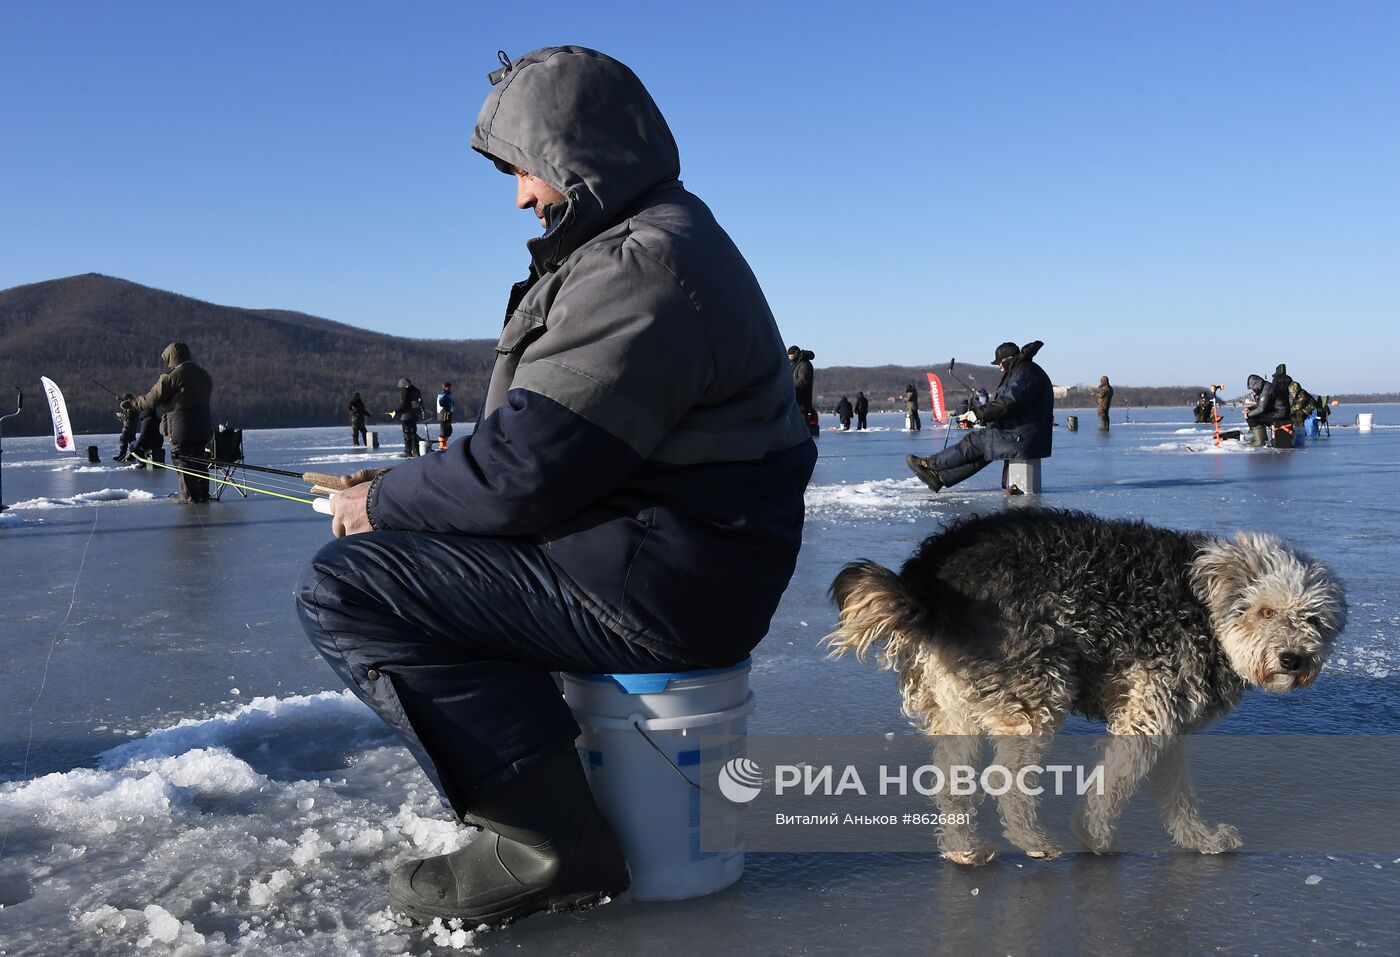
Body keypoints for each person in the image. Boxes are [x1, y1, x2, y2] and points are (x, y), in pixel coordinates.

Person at [295, 46, 815, 928]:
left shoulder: (640, 267)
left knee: (349, 584)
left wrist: (378, 505)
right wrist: (403, 484)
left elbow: (523, 474)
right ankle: (547, 790)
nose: (522, 196)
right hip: (671, 564)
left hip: (663, 587)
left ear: (581, 154)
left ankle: (545, 840)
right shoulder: (663, 239)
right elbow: (545, 457)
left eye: (528, 169)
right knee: (427, 548)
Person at [906, 341, 1052, 492]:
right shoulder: (1021, 371)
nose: (1000, 367)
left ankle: (929, 464)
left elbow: (1008, 403)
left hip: (1023, 436)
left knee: (976, 441)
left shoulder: (1025, 372)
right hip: (1024, 434)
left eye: (1000, 363)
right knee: (985, 450)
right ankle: (940, 478)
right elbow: (1009, 404)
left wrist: (978, 413)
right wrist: (983, 415)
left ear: (1009, 359)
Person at [125, 342, 213, 501]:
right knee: (200, 461)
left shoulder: (171, 377)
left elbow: (151, 400)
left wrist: (132, 403)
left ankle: (189, 498)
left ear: (171, 358)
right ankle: (202, 495)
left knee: (183, 461)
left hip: (181, 427)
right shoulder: (204, 375)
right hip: (203, 426)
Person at [392, 377, 427, 457]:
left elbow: (403, 404)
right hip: (414, 416)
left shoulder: (405, 392)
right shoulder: (416, 391)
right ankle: (416, 451)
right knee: (413, 433)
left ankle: (408, 451)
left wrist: (395, 412)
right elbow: (420, 403)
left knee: (407, 434)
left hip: (406, 416)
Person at [788, 345, 817, 435]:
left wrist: (789, 386)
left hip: (802, 404)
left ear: (796, 354)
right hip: (794, 402)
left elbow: (803, 382)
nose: (790, 359)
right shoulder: (795, 365)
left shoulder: (804, 365)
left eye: (791, 356)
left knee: (800, 432)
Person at [113, 394, 138, 461]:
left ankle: (122, 456)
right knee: (131, 441)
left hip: (128, 427)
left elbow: (128, 418)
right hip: (132, 427)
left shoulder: (131, 408)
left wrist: (121, 416)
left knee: (123, 439)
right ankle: (133, 456)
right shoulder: (134, 405)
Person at [436, 383, 455, 450]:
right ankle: (441, 445)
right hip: (444, 413)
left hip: (448, 413)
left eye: (450, 387)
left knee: (449, 430)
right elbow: (441, 403)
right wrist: (447, 404)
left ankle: (444, 443)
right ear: (444, 387)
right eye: (448, 387)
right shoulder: (443, 394)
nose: (449, 388)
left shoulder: (448, 395)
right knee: (444, 429)